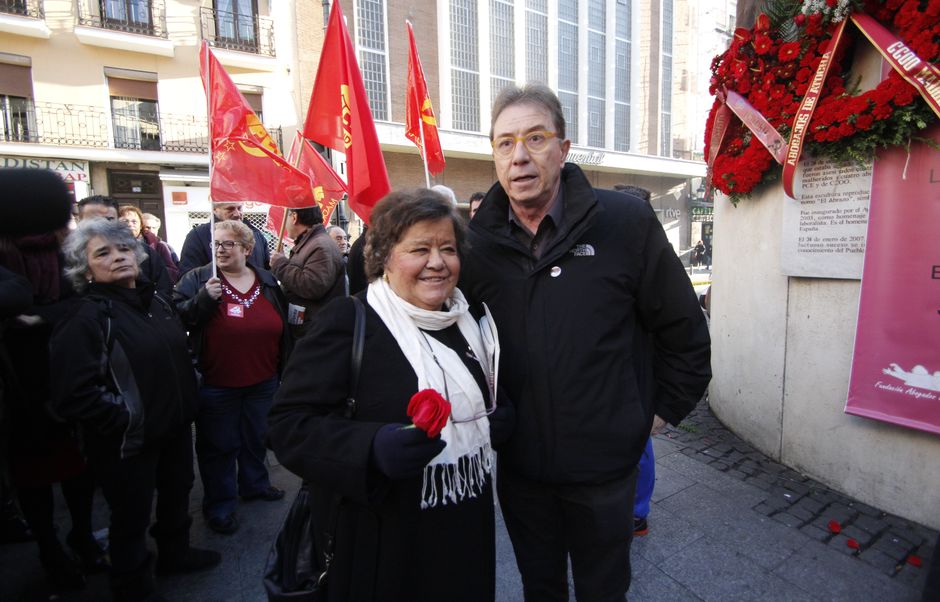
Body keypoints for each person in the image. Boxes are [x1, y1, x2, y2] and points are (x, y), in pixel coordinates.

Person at [461, 84, 711, 601]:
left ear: (564, 149)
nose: (520, 156)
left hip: (605, 468)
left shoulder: (625, 222)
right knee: (540, 586)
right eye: (505, 143)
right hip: (523, 466)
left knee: (603, 588)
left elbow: (684, 330)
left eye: (535, 138)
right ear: (494, 156)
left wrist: (656, 411)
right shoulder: (476, 245)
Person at [268, 189, 513, 602]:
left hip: (465, 530)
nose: (437, 262)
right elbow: (286, 425)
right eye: (420, 248)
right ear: (384, 255)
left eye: (448, 249)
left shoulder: (466, 320)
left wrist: (497, 416)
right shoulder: (349, 320)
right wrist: (371, 448)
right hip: (383, 539)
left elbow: (481, 393)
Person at [50, 219, 220, 602]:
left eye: (124, 249)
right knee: (131, 516)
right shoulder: (87, 317)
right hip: (127, 442)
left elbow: (179, 349)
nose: (118, 258)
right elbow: (74, 394)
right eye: (103, 253)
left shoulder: (155, 301)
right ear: (85, 267)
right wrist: (126, 419)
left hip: (175, 427)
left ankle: (175, 553)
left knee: (177, 493)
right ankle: (132, 583)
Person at [0, 231, 106, 590]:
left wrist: (40, 317)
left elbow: (83, 301)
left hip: (69, 372)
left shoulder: (63, 252)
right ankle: (49, 549)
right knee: (34, 476)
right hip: (19, 385)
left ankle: (83, 536)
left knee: (80, 469)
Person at [173, 220, 291, 535]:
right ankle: (221, 505)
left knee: (256, 438)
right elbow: (176, 316)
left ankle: (255, 484)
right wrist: (203, 300)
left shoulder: (266, 280)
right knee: (219, 446)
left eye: (228, 244)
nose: (220, 250)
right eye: (216, 244)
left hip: (263, 380)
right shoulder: (198, 279)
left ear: (247, 249)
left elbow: (283, 322)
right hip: (217, 383)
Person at [270, 207, 345, 337]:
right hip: (308, 328)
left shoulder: (320, 246)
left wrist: (280, 264)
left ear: (294, 217)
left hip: (315, 332)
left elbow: (312, 285)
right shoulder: (311, 243)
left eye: (285, 216)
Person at [76, 196, 172, 298]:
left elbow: (164, 288)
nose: (103, 226)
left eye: (109, 219)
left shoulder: (145, 252)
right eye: (95, 220)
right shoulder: (71, 257)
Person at [178, 202, 271, 276]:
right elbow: (187, 278)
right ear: (215, 209)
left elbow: (266, 271)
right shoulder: (197, 236)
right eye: (230, 209)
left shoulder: (257, 235)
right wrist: (206, 293)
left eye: (239, 208)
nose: (237, 214)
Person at [119, 205, 180, 283]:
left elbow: (173, 273)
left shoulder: (158, 246)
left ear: (141, 225)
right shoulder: (110, 245)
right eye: (125, 221)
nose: (130, 224)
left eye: (134, 221)